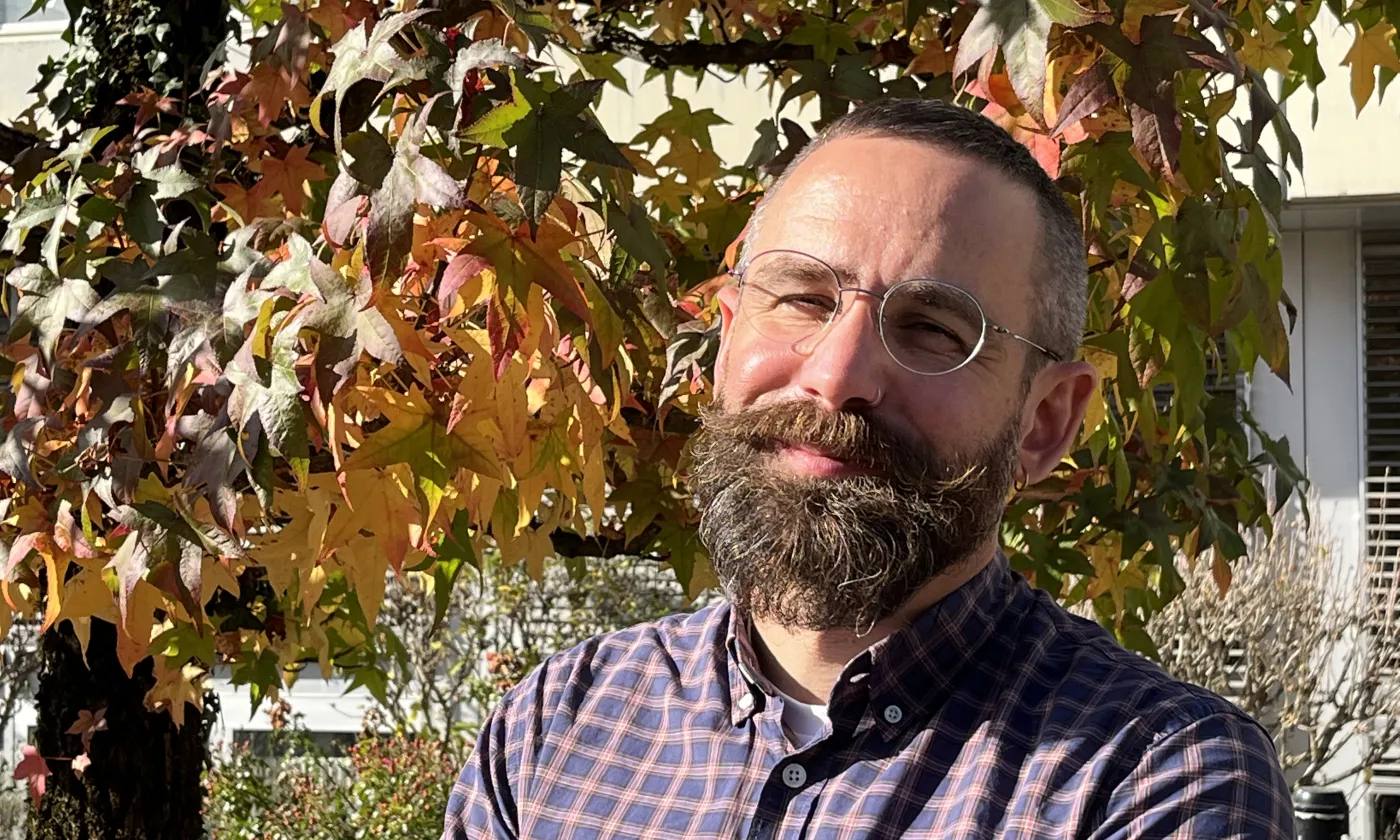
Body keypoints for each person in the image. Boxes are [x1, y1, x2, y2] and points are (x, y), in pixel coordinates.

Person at [441, 97, 1294, 840]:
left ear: (1045, 421)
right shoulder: (555, 731)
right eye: (804, 298)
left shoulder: (1150, 778)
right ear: (724, 339)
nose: (838, 374)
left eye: (933, 329)